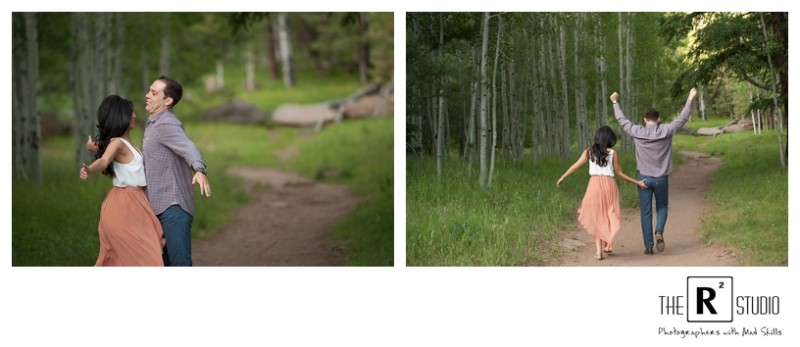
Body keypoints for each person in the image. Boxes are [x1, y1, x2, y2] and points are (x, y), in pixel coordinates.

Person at [80, 95, 165, 266]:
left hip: (137, 202)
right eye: (130, 113)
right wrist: (89, 169)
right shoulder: (118, 143)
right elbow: (104, 160)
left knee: (144, 254)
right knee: (144, 256)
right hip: (124, 204)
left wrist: (94, 147)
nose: (134, 115)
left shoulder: (125, 143)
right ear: (120, 117)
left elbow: (111, 154)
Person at [611, 87, 697, 255]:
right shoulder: (666, 130)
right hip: (661, 178)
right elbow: (682, 118)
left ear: (645, 120)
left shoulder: (637, 131)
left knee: (645, 212)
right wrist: (690, 99)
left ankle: (649, 246)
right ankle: (659, 230)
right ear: (659, 119)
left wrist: (615, 102)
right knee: (662, 206)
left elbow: (621, 120)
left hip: (643, 178)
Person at [143, 75, 211, 266]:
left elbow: (188, 147)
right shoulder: (153, 123)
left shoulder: (166, 123)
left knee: (179, 265)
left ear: (168, 101)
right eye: (149, 90)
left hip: (173, 208)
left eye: (153, 93)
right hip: (158, 208)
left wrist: (199, 169)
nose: (147, 95)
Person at [557, 126, 647, 261]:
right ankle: (608, 240)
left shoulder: (588, 152)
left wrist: (563, 177)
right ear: (609, 139)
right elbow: (620, 174)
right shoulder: (613, 153)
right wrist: (637, 182)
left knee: (597, 217)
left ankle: (599, 252)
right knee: (610, 213)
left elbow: (575, 166)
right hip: (609, 186)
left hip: (594, 186)